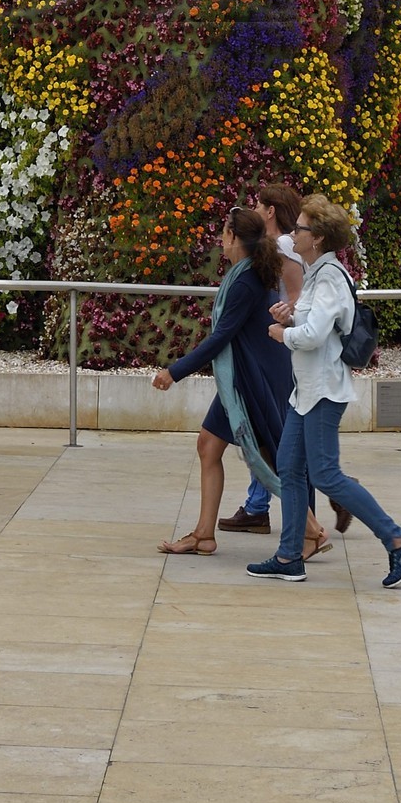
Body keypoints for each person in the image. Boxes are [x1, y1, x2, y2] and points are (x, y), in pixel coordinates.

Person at [247, 195, 401, 588]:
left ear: (319, 237)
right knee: (290, 468)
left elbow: (313, 336)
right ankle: (289, 556)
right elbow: (314, 321)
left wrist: (282, 333)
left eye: (301, 228)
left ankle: (397, 538)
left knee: (325, 474)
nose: (294, 233)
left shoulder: (327, 277)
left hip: (324, 392)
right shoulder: (316, 274)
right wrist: (290, 313)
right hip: (306, 392)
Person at [153, 208, 327, 560]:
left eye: (223, 232)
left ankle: (313, 532)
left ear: (233, 237)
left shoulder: (245, 282)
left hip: (254, 382)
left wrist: (174, 372)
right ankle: (204, 535)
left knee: (270, 459)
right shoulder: (247, 274)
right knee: (209, 446)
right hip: (246, 378)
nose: (220, 239)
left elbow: (220, 339)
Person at [218, 184, 304, 535]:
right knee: (267, 435)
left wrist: (283, 321)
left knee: (271, 437)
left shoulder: (282, 246)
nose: (254, 207)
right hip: (277, 344)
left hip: (275, 347)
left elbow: (296, 294)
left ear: (270, 211)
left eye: (258, 203)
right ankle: (257, 505)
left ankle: (329, 488)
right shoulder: (273, 249)